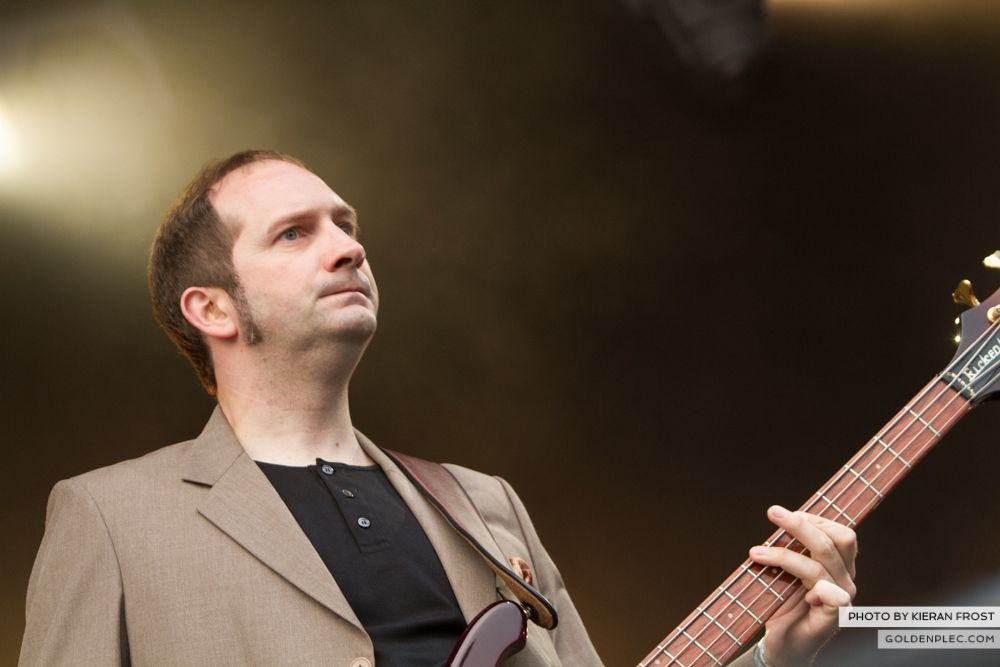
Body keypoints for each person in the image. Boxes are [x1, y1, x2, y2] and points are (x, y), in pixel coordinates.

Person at [19, 150, 856, 666]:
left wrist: (772, 661)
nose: (350, 245)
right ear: (213, 309)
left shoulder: (483, 504)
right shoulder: (110, 513)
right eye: (294, 233)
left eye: (346, 224)